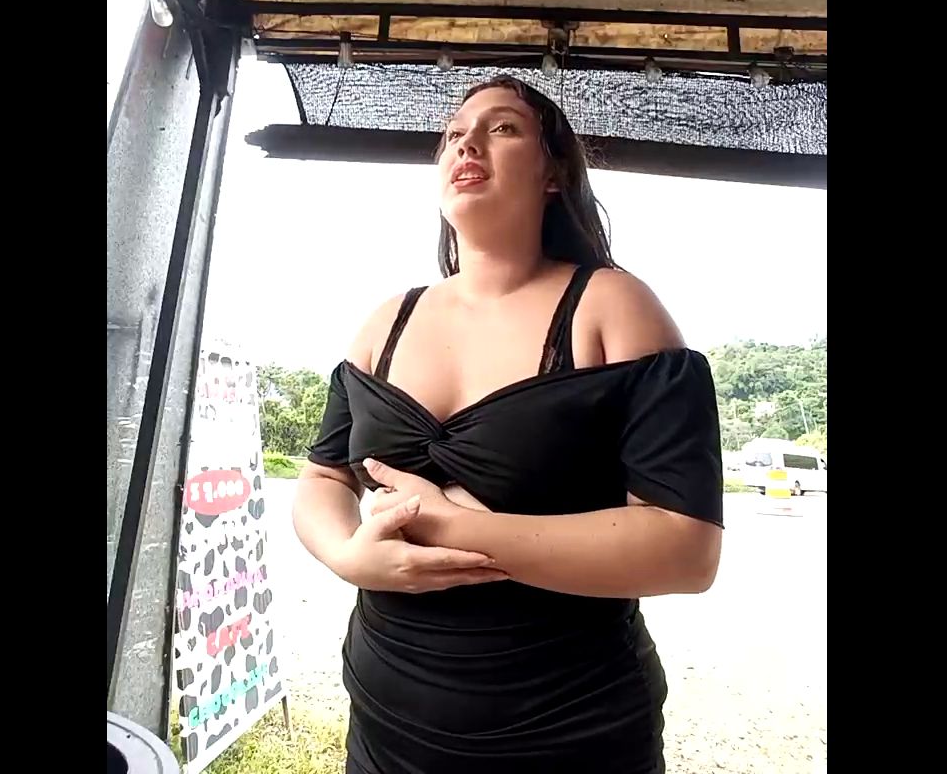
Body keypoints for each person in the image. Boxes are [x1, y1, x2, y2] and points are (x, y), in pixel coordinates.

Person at [293, 75, 724, 774]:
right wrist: (347, 556)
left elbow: (686, 550)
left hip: (569, 728)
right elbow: (322, 478)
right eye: (454, 134)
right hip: (385, 722)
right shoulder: (386, 321)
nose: (467, 143)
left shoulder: (614, 307)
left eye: (502, 128)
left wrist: (457, 528)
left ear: (554, 173)